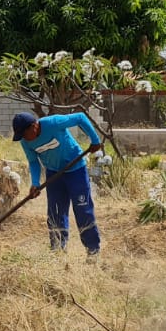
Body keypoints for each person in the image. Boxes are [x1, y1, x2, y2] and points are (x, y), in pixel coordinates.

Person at [11, 110, 103, 258]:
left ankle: (93, 250)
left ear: (34, 126)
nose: (25, 139)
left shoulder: (53, 123)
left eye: (25, 134)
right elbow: (34, 161)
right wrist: (35, 183)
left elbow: (80, 117)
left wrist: (95, 140)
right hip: (54, 174)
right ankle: (58, 250)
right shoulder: (25, 141)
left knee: (82, 210)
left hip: (76, 170)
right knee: (55, 212)